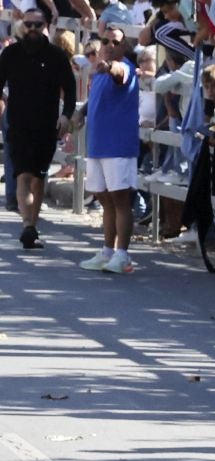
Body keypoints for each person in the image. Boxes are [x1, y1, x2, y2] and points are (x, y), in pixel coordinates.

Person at [0, 6, 76, 249]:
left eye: (37, 25)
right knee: (23, 174)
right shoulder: (10, 54)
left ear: (46, 26)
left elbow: (71, 90)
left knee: (39, 176)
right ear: (23, 25)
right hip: (18, 123)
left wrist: (65, 116)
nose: (32, 29)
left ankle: (32, 224)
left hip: (46, 126)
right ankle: (27, 225)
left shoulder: (56, 56)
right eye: (29, 25)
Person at [79, 25, 138, 273]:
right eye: (106, 41)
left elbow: (120, 72)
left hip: (118, 146)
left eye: (115, 42)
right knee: (106, 202)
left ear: (124, 46)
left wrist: (109, 67)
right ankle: (107, 252)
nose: (110, 45)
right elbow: (94, 101)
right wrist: (78, 113)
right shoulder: (99, 71)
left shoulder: (124, 67)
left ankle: (122, 255)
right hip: (97, 145)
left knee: (121, 200)